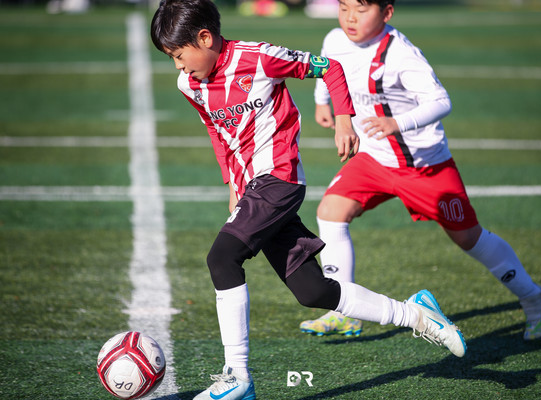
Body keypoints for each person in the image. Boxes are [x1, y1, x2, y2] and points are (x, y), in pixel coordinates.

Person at [151, 1, 467, 399]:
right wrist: (230, 182)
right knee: (313, 292)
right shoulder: (189, 85)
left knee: (222, 257)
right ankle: (417, 314)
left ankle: (238, 376)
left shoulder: (261, 57)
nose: (178, 67)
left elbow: (329, 68)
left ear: (205, 38)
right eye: (171, 59)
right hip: (252, 187)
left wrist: (343, 118)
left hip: (279, 179)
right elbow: (219, 134)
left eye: (179, 56)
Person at [300, 0, 541, 342]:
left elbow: (441, 101)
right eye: (344, 7)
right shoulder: (335, 38)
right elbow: (327, 66)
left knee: (468, 238)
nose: (350, 17)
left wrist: (396, 123)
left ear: (386, 13)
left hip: (424, 166)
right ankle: (344, 313)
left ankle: (535, 298)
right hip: (373, 159)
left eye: (361, 9)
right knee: (331, 212)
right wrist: (321, 100)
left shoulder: (401, 54)